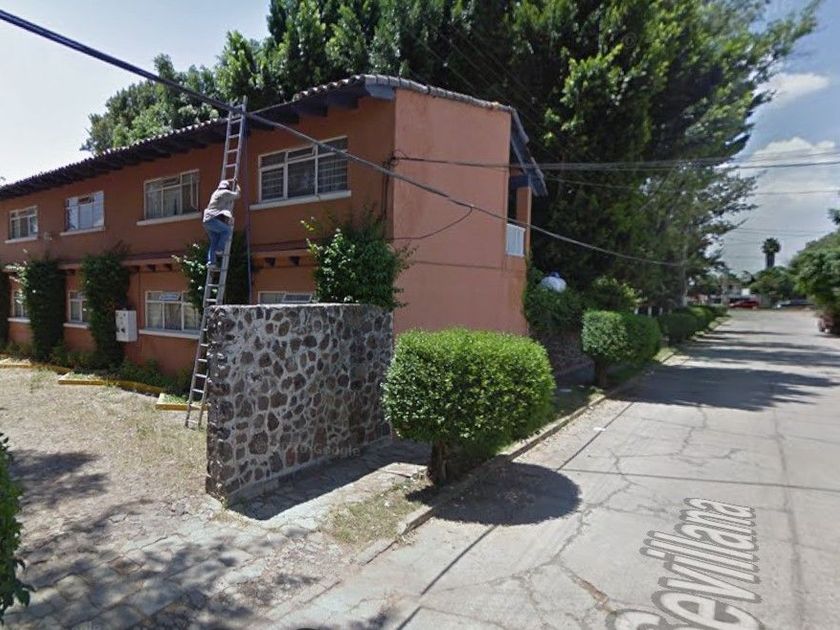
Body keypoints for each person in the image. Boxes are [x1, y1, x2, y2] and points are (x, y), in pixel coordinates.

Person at [203, 179, 240, 269]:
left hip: (207, 220)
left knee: (214, 241)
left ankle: (211, 262)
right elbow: (237, 195)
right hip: (212, 219)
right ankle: (219, 249)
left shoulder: (215, 193)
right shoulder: (225, 193)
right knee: (227, 230)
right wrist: (237, 185)